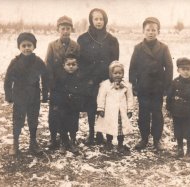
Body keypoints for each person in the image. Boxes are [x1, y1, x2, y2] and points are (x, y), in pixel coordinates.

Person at [129, 17, 173, 152]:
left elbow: (169, 68)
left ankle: (156, 139)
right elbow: (133, 68)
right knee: (143, 114)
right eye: (148, 30)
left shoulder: (164, 48)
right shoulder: (138, 48)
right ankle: (143, 138)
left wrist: (166, 86)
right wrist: (134, 86)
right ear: (143, 31)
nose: (151, 32)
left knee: (157, 114)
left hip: (157, 88)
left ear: (158, 31)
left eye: (154, 30)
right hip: (143, 87)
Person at [77, 8, 119, 145]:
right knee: (91, 106)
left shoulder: (112, 40)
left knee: (105, 106)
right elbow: (80, 61)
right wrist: (85, 78)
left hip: (105, 79)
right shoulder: (83, 39)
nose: (99, 22)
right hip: (89, 79)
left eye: (101, 19)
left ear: (105, 20)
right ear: (91, 20)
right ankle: (91, 133)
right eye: (96, 19)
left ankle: (101, 133)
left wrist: (112, 79)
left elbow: (114, 63)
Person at [4, 32, 48, 155]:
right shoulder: (15, 62)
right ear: (19, 47)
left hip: (34, 95)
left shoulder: (38, 62)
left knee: (33, 120)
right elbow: (8, 80)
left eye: (29, 45)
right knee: (18, 120)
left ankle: (33, 143)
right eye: (24, 45)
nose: (27, 48)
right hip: (19, 96)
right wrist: (9, 96)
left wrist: (45, 95)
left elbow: (45, 78)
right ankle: (15, 143)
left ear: (34, 46)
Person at [45, 16, 80, 150]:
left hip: (71, 86)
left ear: (71, 29)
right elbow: (48, 65)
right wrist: (50, 85)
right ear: (58, 29)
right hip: (56, 86)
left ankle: (71, 139)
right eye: (63, 28)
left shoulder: (75, 46)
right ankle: (54, 138)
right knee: (54, 113)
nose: (65, 31)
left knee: (71, 113)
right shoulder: (52, 46)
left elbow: (78, 65)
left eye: (68, 28)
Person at [166, 57, 190, 160]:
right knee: (178, 132)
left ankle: (189, 151)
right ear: (178, 70)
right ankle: (180, 150)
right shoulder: (175, 82)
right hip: (177, 112)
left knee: (189, 133)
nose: (186, 72)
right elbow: (169, 96)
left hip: (189, 114)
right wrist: (169, 109)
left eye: (188, 69)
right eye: (183, 69)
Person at [95, 61, 134, 153]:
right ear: (110, 74)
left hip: (121, 111)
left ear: (123, 74)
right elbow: (101, 97)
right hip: (109, 111)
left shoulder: (126, 86)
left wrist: (130, 109)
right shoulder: (105, 85)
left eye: (120, 73)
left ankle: (120, 144)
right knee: (109, 128)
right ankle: (109, 143)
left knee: (121, 129)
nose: (117, 75)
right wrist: (101, 108)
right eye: (115, 73)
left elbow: (130, 98)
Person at [52, 55, 85, 155]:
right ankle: (63, 142)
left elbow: (82, 92)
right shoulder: (59, 78)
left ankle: (72, 141)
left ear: (77, 66)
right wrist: (56, 103)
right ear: (64, 66)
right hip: (62, 106)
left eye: (73, 64)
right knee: (62, 124)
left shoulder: (79, 78)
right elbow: (55, 91)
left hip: (74, 106)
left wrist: (79, 101)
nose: (71, 66)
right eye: (68, 64)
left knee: (73, 124)